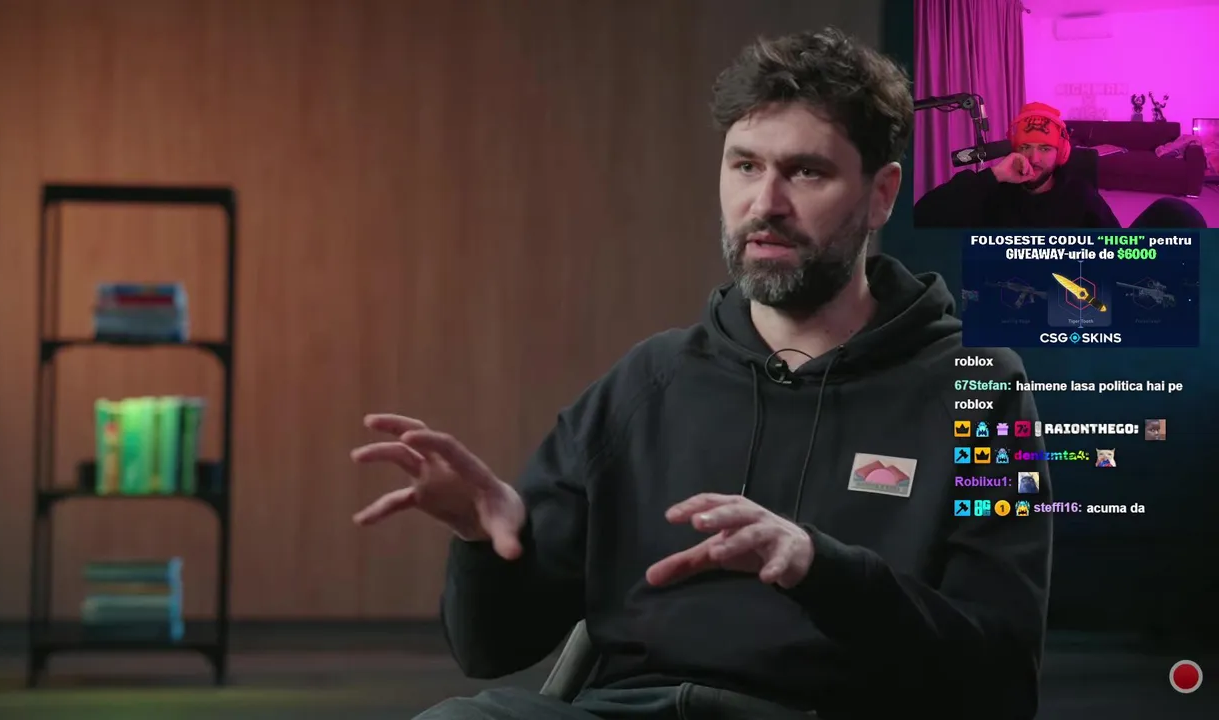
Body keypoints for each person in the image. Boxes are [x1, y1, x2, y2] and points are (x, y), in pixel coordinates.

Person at [351, 28, 1054, 720]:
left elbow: (997, 682)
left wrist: (819, 568)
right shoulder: (649, 382)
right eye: (745, 166)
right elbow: (491, 650)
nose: (765, 204)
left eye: (806, 172)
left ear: (881, 194)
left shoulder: (978, 390)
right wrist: (483, 542)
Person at [915, 102, 1121, 228]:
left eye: (1045, 148)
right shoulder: (993, 191)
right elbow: (924, 215)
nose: (1034, 158)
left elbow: (1117, 249)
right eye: (1025, 147)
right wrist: (994, 176)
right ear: (1014, 149)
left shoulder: (1081, 195)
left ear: (1061, 153)